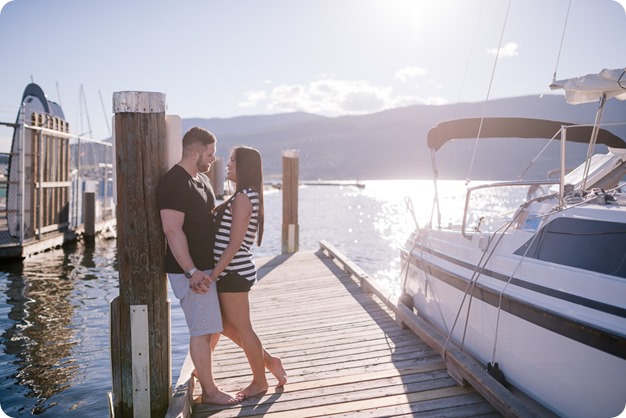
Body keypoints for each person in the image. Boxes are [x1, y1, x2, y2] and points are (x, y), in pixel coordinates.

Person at [157, 127, 237, 406]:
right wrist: (191, 271)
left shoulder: (200, 179)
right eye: (210, 154)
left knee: (212, 327)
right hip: (189, 272)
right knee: (202, 329)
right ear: (194, 152)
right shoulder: (174, 183)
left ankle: (203, 378)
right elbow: (172, 229)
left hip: (205, 269)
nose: (214, 159)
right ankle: (210, 392)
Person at [209, 146, 287, 400]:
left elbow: (234, 245)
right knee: (223, 326)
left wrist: (212, 276)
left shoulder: (244, 197)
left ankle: (259, 381)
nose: (228, 164)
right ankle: (270, 362)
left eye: (233, 160)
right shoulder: (245, 195)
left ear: (245, 167)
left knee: (243, 329)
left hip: (232, 272)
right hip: (230, 272)